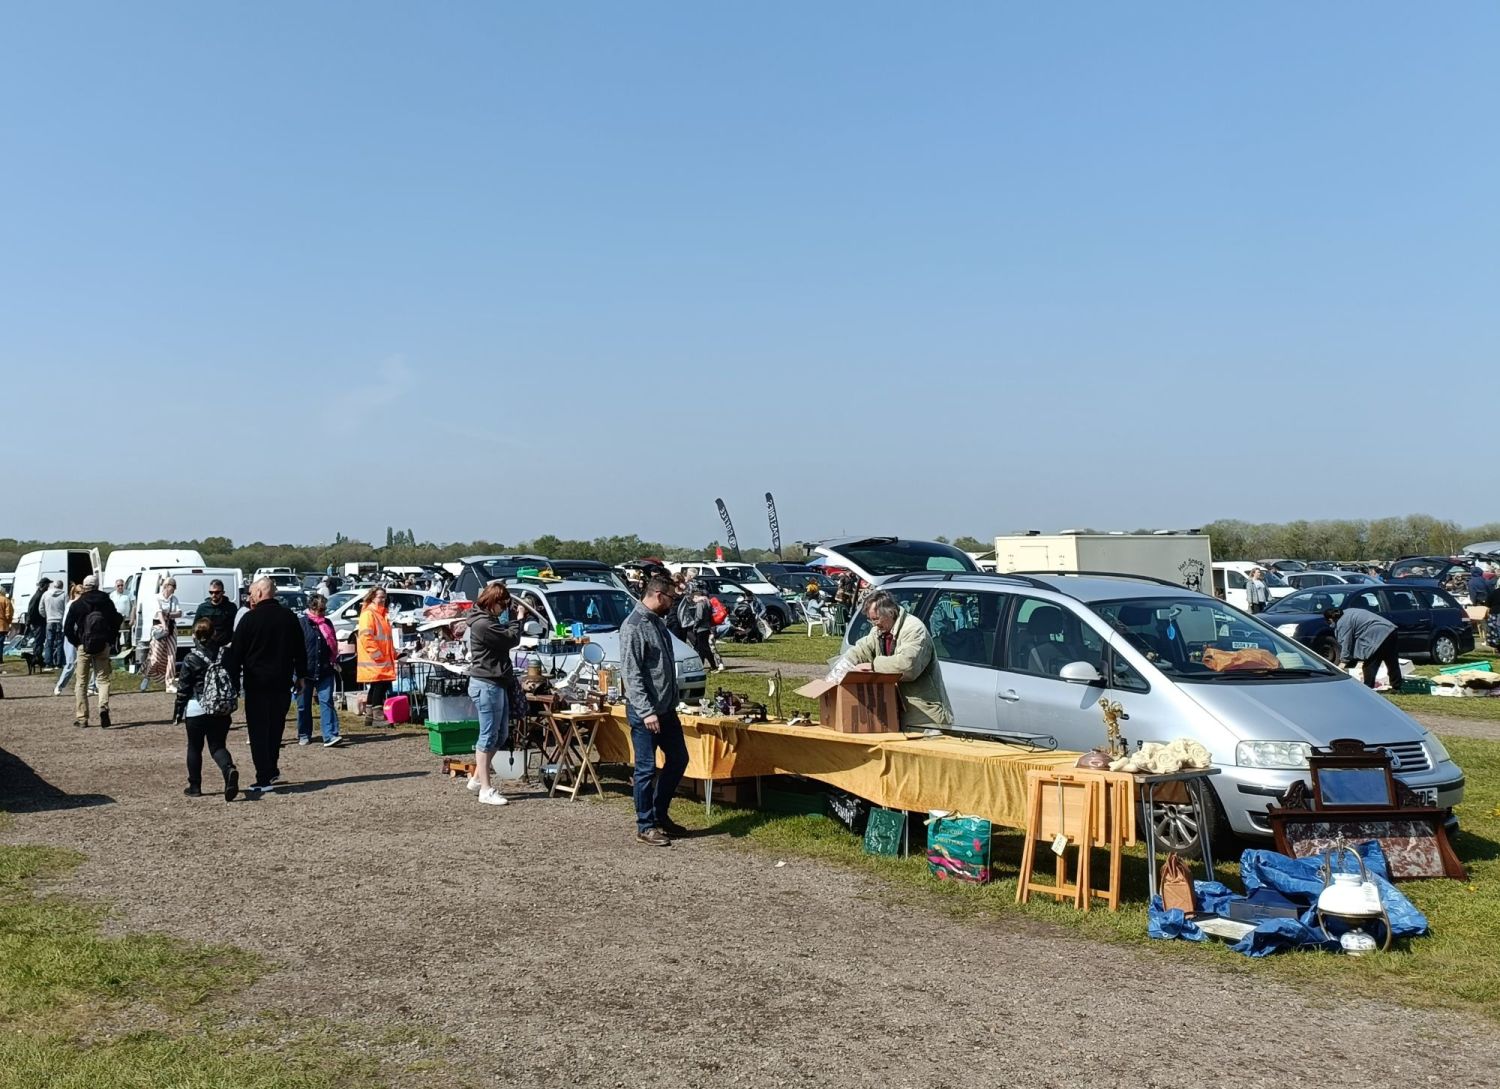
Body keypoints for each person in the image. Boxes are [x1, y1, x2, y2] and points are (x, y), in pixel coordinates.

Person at [620, 575, 690, 846]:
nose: (673, 604)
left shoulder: (657, 624)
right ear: (659, 595)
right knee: (646, 769)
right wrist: (647, 711)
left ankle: (660, 814)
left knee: (679, 759)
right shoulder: (634, 626)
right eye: (671, 598)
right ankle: (645, 825)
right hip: (645, 711)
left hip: (666, 709)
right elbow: (632, 673)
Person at [224, 577, 308, 795]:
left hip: (257, 683)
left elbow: (236, 655)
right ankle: (271, 769)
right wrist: (302, 676)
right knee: (275, 727)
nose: (249, 597)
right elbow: (301, 649)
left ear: (261, 593)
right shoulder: (289, 618)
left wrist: (232, 682)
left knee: (259, 730)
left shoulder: (249, 620)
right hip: (282, 682)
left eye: (251, 593)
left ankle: (263, 777)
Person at [846, 589, 954, 729]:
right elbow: (861, 649)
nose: (874, 624)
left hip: (926, 718)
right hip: (901, 712)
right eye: (870, 619)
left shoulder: (914, 629)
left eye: (876, 619)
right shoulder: (878, 630)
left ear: (890, 612)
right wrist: (843, 666)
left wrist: (874, 666)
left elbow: (908, 666)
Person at [465, 582, 526, 806]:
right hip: (486, 684)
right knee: (488, 736)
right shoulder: (482, 623)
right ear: (493, 602)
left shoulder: (487, 620)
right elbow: (510, 639)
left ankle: (476, 778)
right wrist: (517, 619)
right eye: (503, 604)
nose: (504, 608)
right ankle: (486, 789)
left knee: (500, 736)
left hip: (496, 683)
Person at [172, 618, 240, 800]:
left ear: (195, 635)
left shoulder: (191, 658)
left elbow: (184, 687)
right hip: (220, 706)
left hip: (197, 706)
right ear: (214, 634)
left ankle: (195, 786)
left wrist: (178, 710)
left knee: (194, 747)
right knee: (217, 746)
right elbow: (234, 677)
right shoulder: (226, 654)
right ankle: (228, 769)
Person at [62, 574, 120, 728]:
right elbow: (116, 621)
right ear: (97, 585)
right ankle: (103, 707)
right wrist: (110, 640)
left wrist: (77, 643)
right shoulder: (107, 602)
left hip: (83, 645)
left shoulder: (77, 604)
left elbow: (67, 628)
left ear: (85, 586)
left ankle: (82, 718)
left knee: (81, 682)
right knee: (103, 679)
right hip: (102, 644)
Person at [296, 593, 343, 747]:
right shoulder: (301, 624)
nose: (323, 613)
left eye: (325, 609)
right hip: (305, 671)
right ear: (312, 608)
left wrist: (333, 661)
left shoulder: (328, 624)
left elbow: (333, 644)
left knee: (327, 701)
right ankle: (304, 733)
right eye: (321, 609)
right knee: (303, 705)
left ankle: (330, 735)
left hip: (325, 670)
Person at [1325, 606, 1402, 690]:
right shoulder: (1348, 612)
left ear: (1330, 619)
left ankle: (1368, 687)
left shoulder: (1343, 622)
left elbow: (1346, 642)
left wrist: (1343, 661)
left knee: (1370, 662)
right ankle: (1396, 687)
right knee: (1391, 661)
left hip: (1378, 634)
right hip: (1390, 630)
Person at [355, 587, 396, 723]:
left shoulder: (381, 614)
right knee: (380, 686)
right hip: (375, 659)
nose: (383, 600)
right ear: (373, 597)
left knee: (376, 686)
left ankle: (369, 716)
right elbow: (366, 636)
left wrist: (394, 653)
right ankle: (378, 717)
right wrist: (377, 654)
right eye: (380, 597)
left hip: (381, 658)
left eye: (384, 597)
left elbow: (386, 639)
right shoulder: (369, 614)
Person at [53, 584, 84, 696]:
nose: (82, 595)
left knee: (86, 663)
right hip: (70, 636)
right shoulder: (70, 604)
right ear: (75, 593)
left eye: (83, 593)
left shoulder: (85, 605)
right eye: (80, 593)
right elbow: (66, 623)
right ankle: (59, 686)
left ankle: (89, 687)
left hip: (82, 636)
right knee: (70, 663)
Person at [152, 578, 182, 690]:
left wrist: (169, 615)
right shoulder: (157, 598)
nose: (175, 589)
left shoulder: (174, 599)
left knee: (171, 655)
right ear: (167, 586)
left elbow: (179, 613)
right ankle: (149, 674)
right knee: (156, 656)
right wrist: (163, 625)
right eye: (174, 586)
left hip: (171, 626)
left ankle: (169, 682)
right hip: (158, 626)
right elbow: (158, 612)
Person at [192, 579, 237, 651]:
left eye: (217, 592)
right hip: (206, 647)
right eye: (211, 592)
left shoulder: (231, 607)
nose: (213, 595)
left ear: (223, 592)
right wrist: (197, 641)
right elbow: (195, 627)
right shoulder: (202, 607)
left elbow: (236, 627)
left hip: (225, 647)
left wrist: (232, 643)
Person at [42, 578, 68, 668]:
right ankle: (59, 662)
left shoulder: (45, 594)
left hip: (49, 621)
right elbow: (66, 608)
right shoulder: (64, 595)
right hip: (60, 621)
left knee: (49, 642)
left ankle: (48, 662)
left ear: (54, 586)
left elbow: (41, 608)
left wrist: (46, 616)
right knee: (60, 642)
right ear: (62, 586)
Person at [109, 578, 133, 653]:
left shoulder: (129, 593)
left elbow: (133, 607)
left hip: (126, 618)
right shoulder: (111, 595)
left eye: (121, 585)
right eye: (118, 585)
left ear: (124, 585)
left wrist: (133, 619)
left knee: (127, 637)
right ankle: (117, 651)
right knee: (116, 636)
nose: (120, 587)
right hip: (115, 619)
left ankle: (128, 653)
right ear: (115, 586)